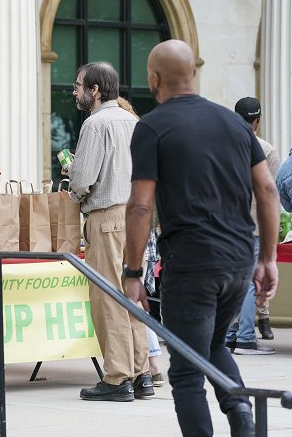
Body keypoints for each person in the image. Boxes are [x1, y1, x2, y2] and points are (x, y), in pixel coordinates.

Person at [124, 39, 279, 437]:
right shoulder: (234, 123)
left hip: (192, 262)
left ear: (153, 78)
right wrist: (267, 257)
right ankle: (243, 417)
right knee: (211, 347)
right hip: (238, 258)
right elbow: (267, 190)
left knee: (188, 370)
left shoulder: (152, 125)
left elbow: (141, 205)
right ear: (192, 73)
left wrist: (132, 271)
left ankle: (237, 418)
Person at [66, 62, 152, 402]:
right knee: (133, 291)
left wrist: (73, 187)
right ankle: (142, 372)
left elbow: (83, 178)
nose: (75, 91)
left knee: (108, 297)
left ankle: (117, 377)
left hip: (107, 215)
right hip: (137, 214)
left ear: (96, 90)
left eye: (79, 85)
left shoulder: (95, 123)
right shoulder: (134, 121)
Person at [117, 96, 165, 387]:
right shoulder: (139, 139)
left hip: (134, 228)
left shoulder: (140, 143)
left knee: (134, 297)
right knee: (138, 299)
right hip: (145, 229)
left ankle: (151, 364)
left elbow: (142, 202)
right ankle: (151, 365)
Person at [225, 97, 279, 353]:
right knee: (248, 282)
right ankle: (246, 337)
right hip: (254, 225)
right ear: (257, 121)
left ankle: (229, 335)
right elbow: (270, 193)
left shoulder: (220, 145)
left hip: (225, 224)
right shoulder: (265, 149)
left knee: (232, 279)